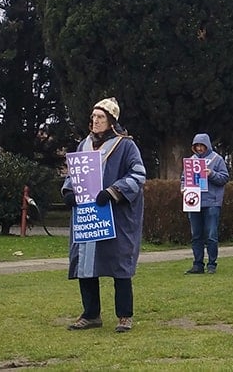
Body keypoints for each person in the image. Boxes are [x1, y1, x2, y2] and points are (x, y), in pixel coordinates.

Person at [62, 97, 147, 333]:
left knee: (119, 264)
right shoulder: (83, 146)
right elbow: (73, 175)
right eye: (93, 117)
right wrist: (69, 191)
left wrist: (113, 191)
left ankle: (124, 316)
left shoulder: (126, 146)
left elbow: (138, 175)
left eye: (100, 117)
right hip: (88, 215)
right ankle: (91, 314)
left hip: (115, 214)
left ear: (111, 121)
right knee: (86, 265)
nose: (95, 121)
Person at [184, 133, 229, 275]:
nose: (198, 148)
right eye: (196, 146)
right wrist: (183, 188)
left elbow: (224, 178)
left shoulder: (217, 159)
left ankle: (211, 264)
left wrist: (211, 174)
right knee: (196, 235)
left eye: (201, 145)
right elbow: (184, 178)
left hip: (212, 202)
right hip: (194, 201)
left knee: (211, 235)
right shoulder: (191, 160)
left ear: (207, 145)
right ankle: (197, 264)